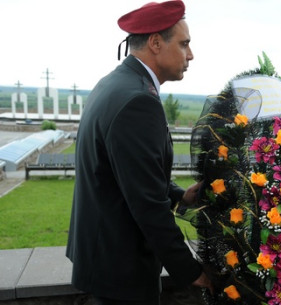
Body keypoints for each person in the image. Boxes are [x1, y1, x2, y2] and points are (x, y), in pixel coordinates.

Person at [66, 1, 212, 304]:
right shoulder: (137, 100)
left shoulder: (114, 83)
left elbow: (129, 171)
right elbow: (147, 203)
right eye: (184, 44)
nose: (191, 54)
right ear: (156, 43)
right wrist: (190, 270)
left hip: (104, 258)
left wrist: (179, 196)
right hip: (122, 270)